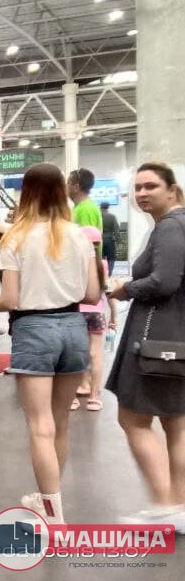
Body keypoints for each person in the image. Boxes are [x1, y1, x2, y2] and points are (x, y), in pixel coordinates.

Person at [0, 163, 102, 525]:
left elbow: (10, 299)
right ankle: (49, 504)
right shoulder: (78, 236)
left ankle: (53, 518)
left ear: (26, 193)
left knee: (40, 427)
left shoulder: (15, 237)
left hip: (34, 330)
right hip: (74, 328)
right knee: (60, 424)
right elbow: (91, 294)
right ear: (62, 191)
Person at [106, 162, 185, 532]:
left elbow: (164, 281)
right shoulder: (175, 224)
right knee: (175, 422)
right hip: (175, 335)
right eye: (137, 187)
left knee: (133, 419)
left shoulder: (171, 226)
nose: (141, 193)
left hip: (159, 339)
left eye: (150, 186)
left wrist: (127, 289)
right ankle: (178, 506)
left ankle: (164, 505)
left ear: (171, 188)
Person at [72, 226, 116, 412]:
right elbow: (108, 291)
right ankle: (94, 397)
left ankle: (72, 398)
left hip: (75, 312)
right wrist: (113, 314)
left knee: (74, 354)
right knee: (95, 355)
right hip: (96, 313)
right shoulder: (102, 264)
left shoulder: (72, 263)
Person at [101, 202, 118, 272]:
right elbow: (116, 229)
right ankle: (109, 273)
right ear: (108, 207)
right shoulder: (112, 216)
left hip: (99, 239)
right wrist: (118, 240)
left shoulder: (98, 216)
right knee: (111, 258)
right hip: (110, 240)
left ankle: (101, 273)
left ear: (100, 207)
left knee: (101, 258)